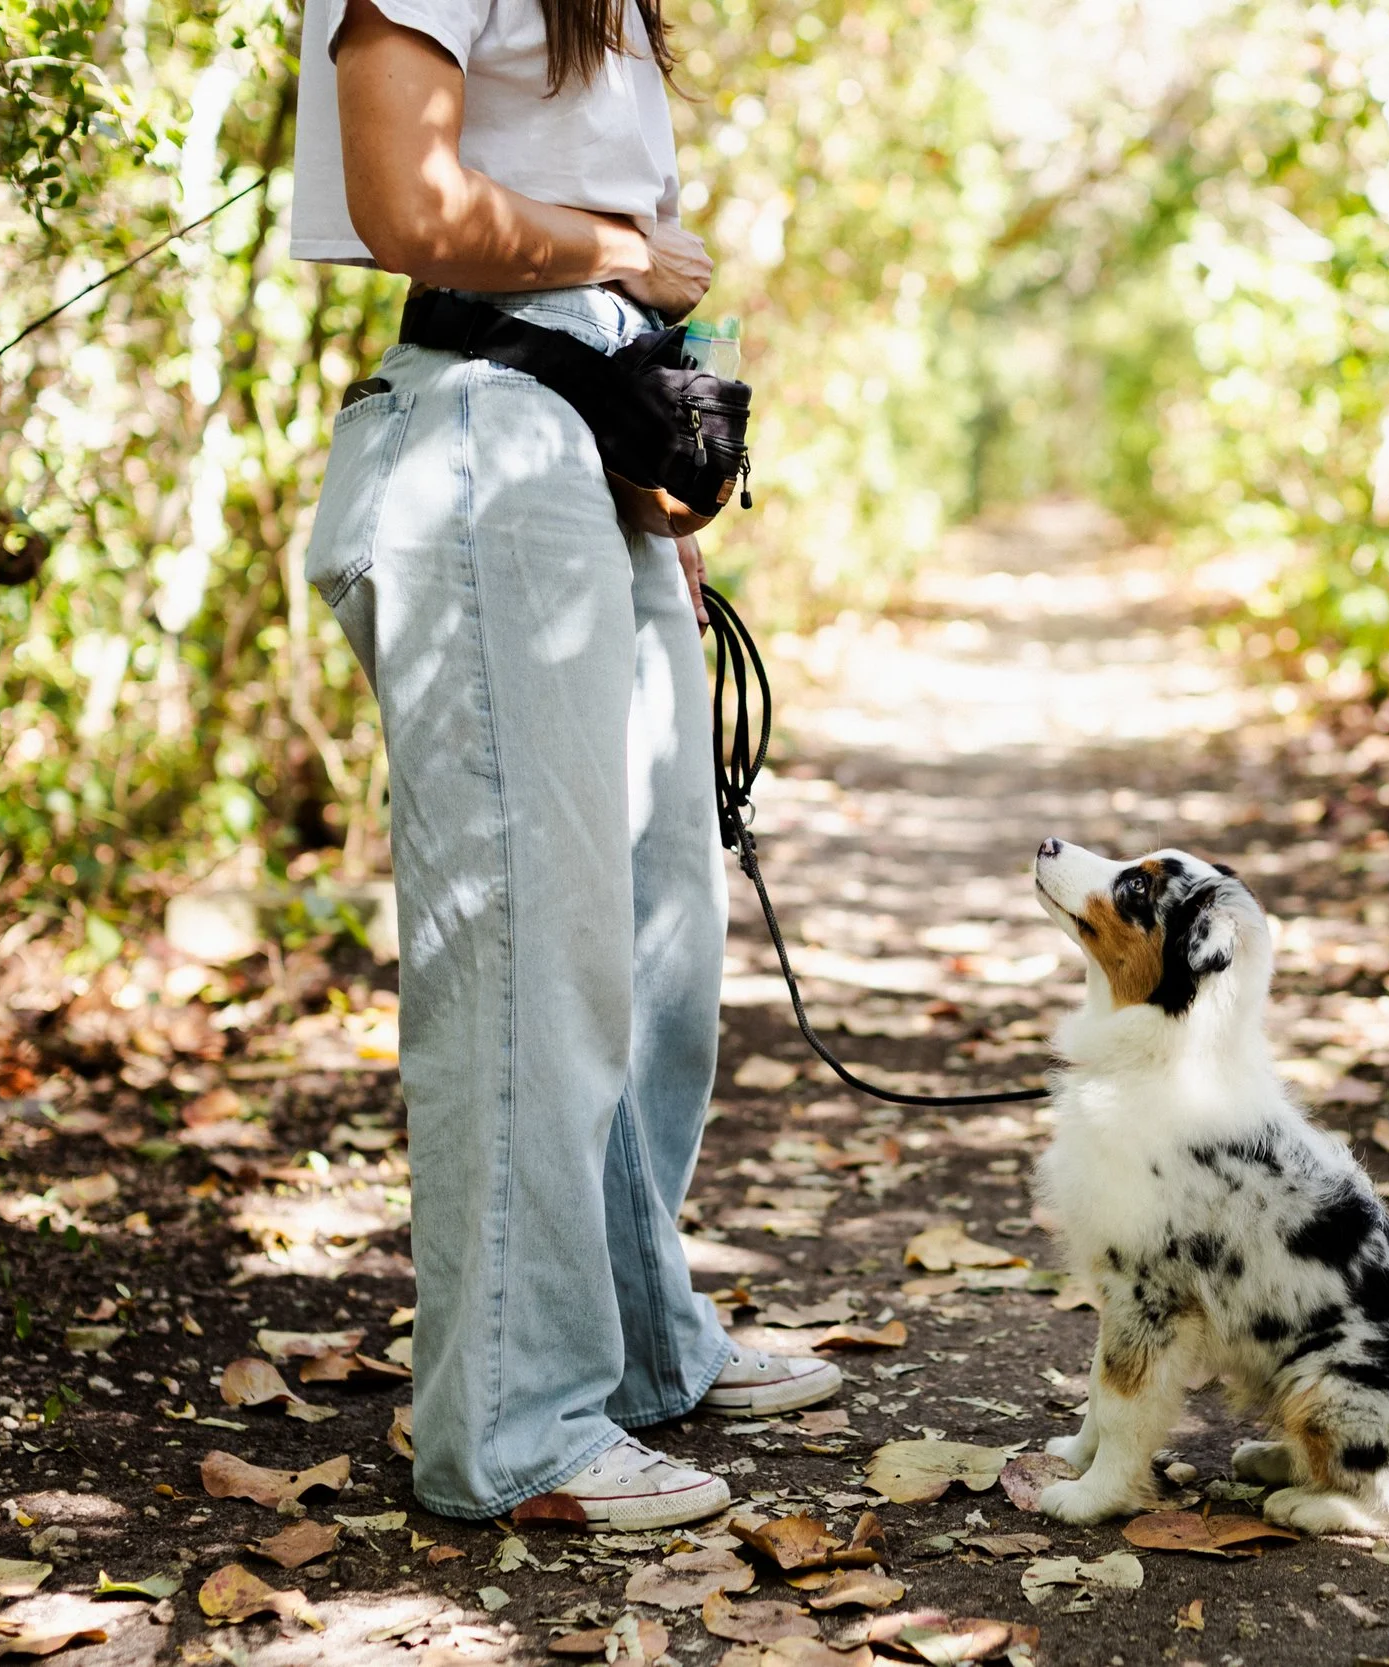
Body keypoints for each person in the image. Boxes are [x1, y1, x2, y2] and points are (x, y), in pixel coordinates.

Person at [288, 0, 837, 1529]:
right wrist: (618, 254)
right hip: (483, 440)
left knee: (660, 934)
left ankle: (648, 1343)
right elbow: (410, 207)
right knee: (536, 954)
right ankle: (516, 1426)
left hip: (582, 440)